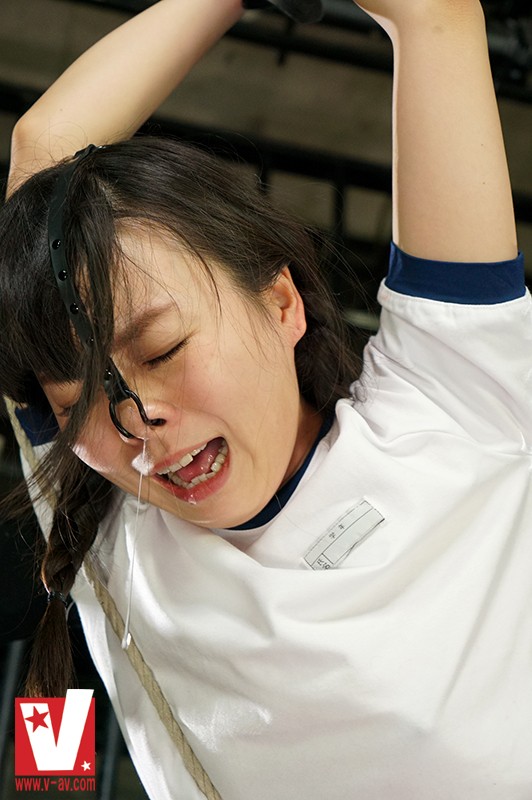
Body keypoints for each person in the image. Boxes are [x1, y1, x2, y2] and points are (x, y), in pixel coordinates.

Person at [1, 0, 530, 798]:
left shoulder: (451, 406)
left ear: (282, 303)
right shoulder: (106, 527)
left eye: (164, 349)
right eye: (81, 403)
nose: (138, 419)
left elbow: (435, 15)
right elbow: (41, 162)